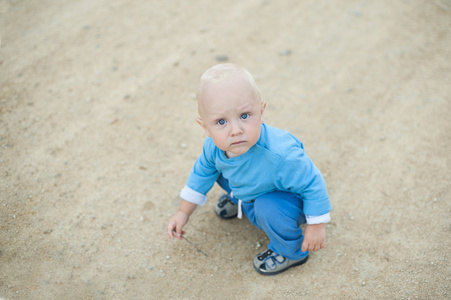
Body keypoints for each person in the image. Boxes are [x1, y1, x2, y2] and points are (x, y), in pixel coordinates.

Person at [167, 63, 331, 275]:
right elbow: (201, 175)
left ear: (261, 112)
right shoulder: (215, 148)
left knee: (267, 207)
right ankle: (240, 199)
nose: (236, 130)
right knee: (214, 169)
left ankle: (291, 252)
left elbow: (312, 183)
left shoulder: (281, 155)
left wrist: (316, 226)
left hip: (287, 201)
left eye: (245, 115)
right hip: (253, 185)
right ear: (205, 127)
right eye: (221, 121)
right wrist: (183, 212)